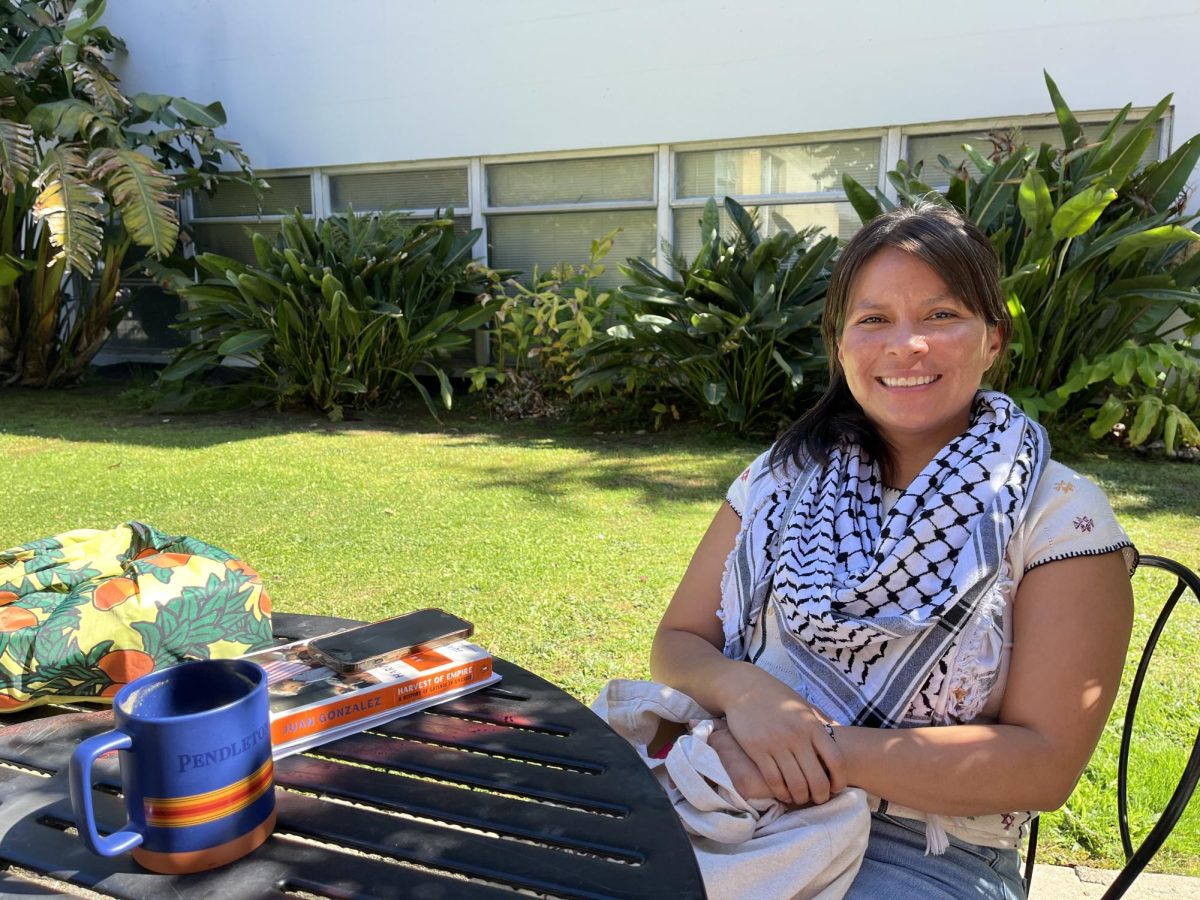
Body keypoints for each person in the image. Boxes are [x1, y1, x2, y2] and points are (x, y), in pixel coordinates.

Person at [650, 203, 1137, 899]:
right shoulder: (778, 480)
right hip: (734, 808)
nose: (906, 346)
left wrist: (803, 752)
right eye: (873, 319)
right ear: (841, 345)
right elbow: (679, 638)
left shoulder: (1059, 518)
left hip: (922, 852)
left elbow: (1044, 764)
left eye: (941, 316)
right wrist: (746, 691)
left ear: (992, 339)